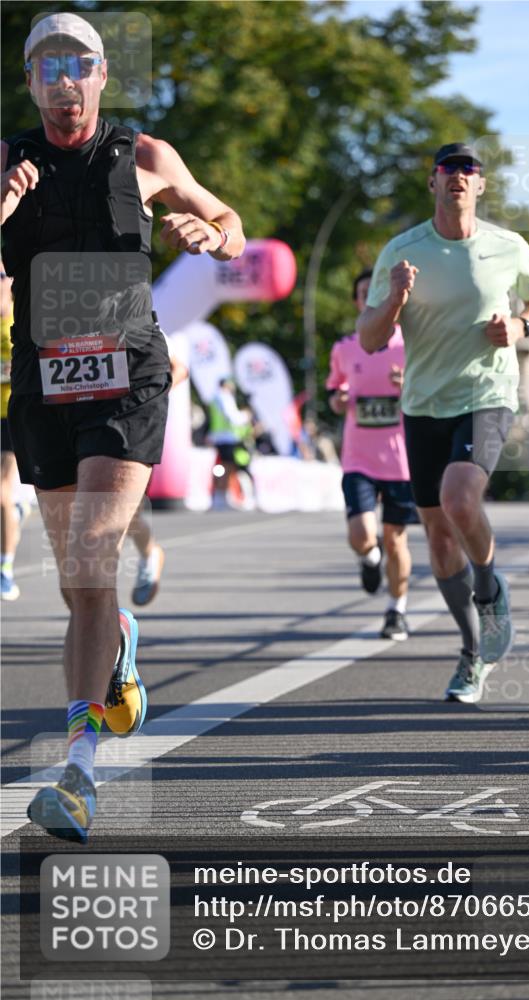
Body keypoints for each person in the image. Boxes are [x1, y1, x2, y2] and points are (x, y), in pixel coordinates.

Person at [1, 13, 245, 842]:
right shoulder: (6, 164)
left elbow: (231, 222)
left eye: (78, 65)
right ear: (30, 82)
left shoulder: (144, 156)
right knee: (80, 588)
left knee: (89, 555)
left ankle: (76, 770)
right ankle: (121, 638)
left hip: (126, 377)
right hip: (42, 383)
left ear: (102, 76)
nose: (62, 81)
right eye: (46, 68)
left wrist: (211, 235)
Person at [358, 142, 529, 702]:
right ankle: (473, 655)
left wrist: (520, 327)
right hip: (423, 404)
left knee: (460, 498)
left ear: (481, 186)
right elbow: (371, 338)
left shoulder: (507, 245)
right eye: (449, 169)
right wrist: (396, 297)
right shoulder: (402, 251)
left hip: (487, 393)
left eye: (470, 170)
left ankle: (491, 590)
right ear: (433, 183)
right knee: (441, 541)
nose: (459, 178)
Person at [327, 269, 417, 641]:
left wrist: (409, 385)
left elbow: (431, 392)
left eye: (373, 292)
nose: (368, 299)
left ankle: (396, 610)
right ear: (356, 301)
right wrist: (339, 399)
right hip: (358, 458)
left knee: (397, 539)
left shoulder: (409, 345)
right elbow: (333, 394)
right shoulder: (345, 348)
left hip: (400, 460)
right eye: (362, 293)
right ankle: (369, 557)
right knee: (362, 533)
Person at [127, 351, 189, 606]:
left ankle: (149, 553)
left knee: (121, 510)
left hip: (129, 423)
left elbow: (179, 368)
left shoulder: (132, 315)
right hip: (79, 422)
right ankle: (149, 552)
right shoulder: (65, 321)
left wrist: (151, 399)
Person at [0, 265, 26, 600]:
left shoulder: (24, 316)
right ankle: (15, 514)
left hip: (14, 417)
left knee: (2, 493)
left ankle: (5, 567)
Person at [207, 376, 255, 510]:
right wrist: (245, 416)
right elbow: (232, 417)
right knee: (227, 467)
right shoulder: (224, 397)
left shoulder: (216, 397)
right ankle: (221, 498)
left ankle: (221, 497)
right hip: (226, 438)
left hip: (221, 438)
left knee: (225, 467)